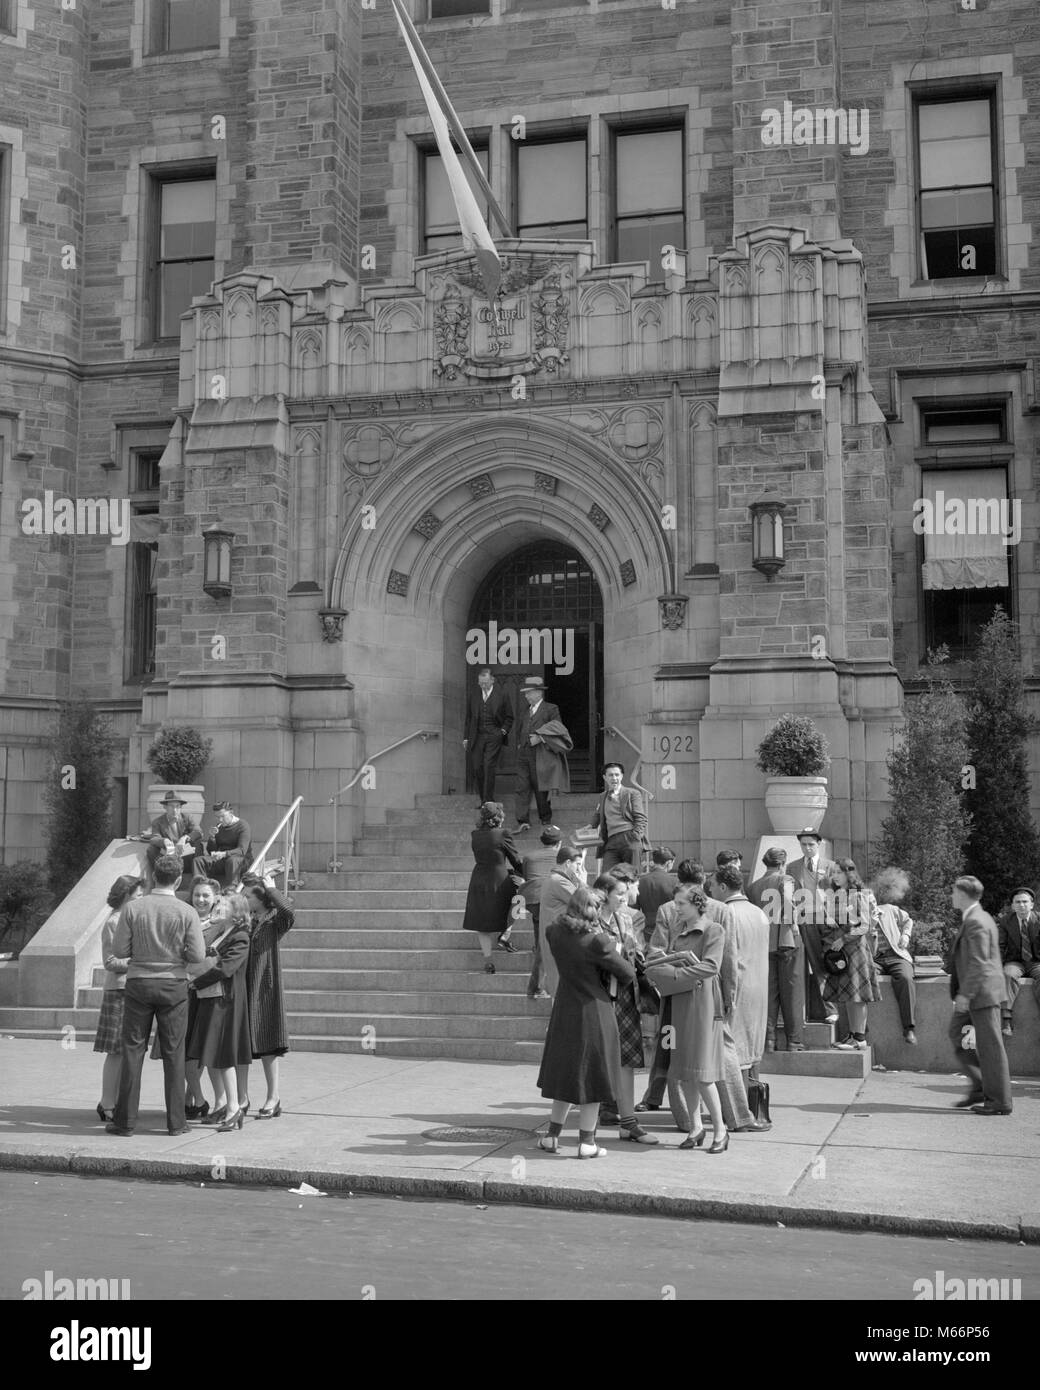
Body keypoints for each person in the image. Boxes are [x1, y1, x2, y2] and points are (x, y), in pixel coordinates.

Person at [105, 854, 205, 1137]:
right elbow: (197, 955)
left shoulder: (134, 909)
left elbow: (120, 951)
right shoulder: (187, 912)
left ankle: (124, 1122)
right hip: (173, 984)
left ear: (152, 878)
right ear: (177, 880)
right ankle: (176, 1123)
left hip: (138, 983)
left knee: (132, 1050)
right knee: (175, 1052)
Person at [535, 885, 636, 1159]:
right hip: (594, 1010)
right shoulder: (597, 941)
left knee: (567, 1075)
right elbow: (627, 973)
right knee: (593, 1078)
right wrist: (620, 949)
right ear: (591, 909)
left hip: (565, 1008)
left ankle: (552, 1137)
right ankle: (587, 1142)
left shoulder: (554, 932)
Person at [646, 887, 730, 1154]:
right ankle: (696, 1128)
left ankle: (720, 1129)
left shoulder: (713, 929)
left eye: (681, 903)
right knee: (684, 1072)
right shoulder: (680, 932)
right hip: (680, 1002)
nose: (677, 908)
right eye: (676, 903)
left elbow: (712, 966)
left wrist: (672, 972)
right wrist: (665, 968)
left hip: (703, 1005)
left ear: (697, 904)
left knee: (703, 1073)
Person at [592, 872, 659, 1143]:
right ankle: (588, 1126)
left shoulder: (627, 919)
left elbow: (634, 951)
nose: (624, 898)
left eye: (624, 893)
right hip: (598, 996)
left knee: (628, 1060)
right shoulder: (592, 921)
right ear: (603, 894)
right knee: (597, 1061)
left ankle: (628, 1121)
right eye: (619, 894)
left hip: (626, 995)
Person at [186, 894, 254, 1132]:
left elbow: (225, 968)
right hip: (210, 997)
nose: (217, 906)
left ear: (237, 911)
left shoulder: (241, 937)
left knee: (223, 1056)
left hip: (225, 1000)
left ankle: (234, 1108)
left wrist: (197, 982)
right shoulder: (219, 931)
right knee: (211, 1055)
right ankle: (224, 1104)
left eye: (223, 904)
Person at [948, 875, 1013, 1115]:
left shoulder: (976, 920)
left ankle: (999, 1102)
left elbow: (979, 963)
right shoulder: (975, 917)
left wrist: (965, 995)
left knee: (990, 1048)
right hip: (976, 993)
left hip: (981, 994)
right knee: (956, 1034)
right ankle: (979, 1086)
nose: (952, 895)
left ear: (964, 895)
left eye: (954, 892)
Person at [241, 878, 296, 1118]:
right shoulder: (244, 921)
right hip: (242, 986)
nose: (244, 900)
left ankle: (273, 1097)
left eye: (248, 896)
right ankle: (241, 1099)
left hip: (264, 987)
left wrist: (271, 887)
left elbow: (288, 910)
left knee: (268, 1044)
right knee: (239, 1045)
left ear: (262, 898)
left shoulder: (275, 922)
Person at [94, 874, 144, 1123]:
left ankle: (115, 1100)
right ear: (125, 896)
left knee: (126, 1051)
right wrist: (138, 961)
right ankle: (107, 1102)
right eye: (137, 896)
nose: (140, 899)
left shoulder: (130, 919)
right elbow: (110, 962)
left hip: (133, 990)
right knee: (115, 1051)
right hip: (118, 991)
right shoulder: (113, 922)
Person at [748, 847, 805, 1052]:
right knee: (792, 991)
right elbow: (789, 901)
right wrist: (794, 924)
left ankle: (769, 1041)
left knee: (769, 993)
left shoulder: (753, 887)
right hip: (787, 939)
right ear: (783, 863)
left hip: (763, 944)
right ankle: (794, 1040)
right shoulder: (786, 880)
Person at [716, 863, 770, 1076]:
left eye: (711, 886)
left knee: (734, 1052)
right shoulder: (758, 912)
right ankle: (751, 1102)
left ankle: (738, 1106)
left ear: (722, 887)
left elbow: (728, 958)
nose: (710, 892)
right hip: (759, 988)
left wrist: (728, 996)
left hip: (738, 987)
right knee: (752, 1049)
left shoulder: (726, 913)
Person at [184, 878, 231, 1117]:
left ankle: (216, 1101)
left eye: (206, 896)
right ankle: (195, 1098)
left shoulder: (221, 926)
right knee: (187, 1051)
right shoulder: (184, 918)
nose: (200, 899)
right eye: (197, 895)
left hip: (206, 992)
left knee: (205, 1049)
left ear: (215, 899)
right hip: (184, 992)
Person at [821, 859, 880, 1050]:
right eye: (833, 873)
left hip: (855, 949)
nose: (835, 876)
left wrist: (843, 939)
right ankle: (853, 1036)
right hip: (840, 951)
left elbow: (864, 926)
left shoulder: (859, 895)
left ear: (849, 874)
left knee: (858, 996)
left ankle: (860, 1038)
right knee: (848, 996)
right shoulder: (836, 895)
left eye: (839, 872)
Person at [462, 802, 525, 974]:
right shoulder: (503, 833)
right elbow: (515, 859)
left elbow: (490, 842)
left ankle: (488, 960)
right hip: (499, 878)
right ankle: (505, 934)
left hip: (479, 879)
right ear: (498, 818)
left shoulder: (475, 835)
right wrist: (526, 874)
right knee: (519, 901)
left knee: (481, 923)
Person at [787, 827, 841, 1025]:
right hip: (805, 921)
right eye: (804, 844)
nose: (807, 848)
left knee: (832, 962)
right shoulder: (792, 867)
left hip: (828, 922)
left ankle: (839, 1008)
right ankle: (823, 1010)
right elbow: (789, 897)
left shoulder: (831, 866)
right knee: (813, 964)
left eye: (811, 844)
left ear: (819, 844)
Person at [513, 676, 572, 833]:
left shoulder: (551, 709)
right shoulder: (525, 711)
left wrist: (541, 737)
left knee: (541, 787)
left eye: (528, 693)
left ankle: (545, 818)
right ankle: (522, 821)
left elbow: (558, 728)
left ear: (538, 693)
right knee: (522, 787)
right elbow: (520, 729)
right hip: (523, 754)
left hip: (540, 754)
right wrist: (520, 744)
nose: (526, 696)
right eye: (526, 693)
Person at [871, 867, 918, 1046]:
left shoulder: (890, 909)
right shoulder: (863, 916)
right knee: (864, 977)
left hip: (896, 956)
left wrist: (905, 936)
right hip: (875, 959)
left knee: (906, 978)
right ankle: (861, 1032)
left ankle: (909, 1028)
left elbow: (908, 920)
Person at [538, 843, 588, 997]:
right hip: (560, 940)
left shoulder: (553, 879)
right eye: (578, 865)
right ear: (568, 863)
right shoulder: (559, 881)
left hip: (555, 938)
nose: (579, 870)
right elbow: (587, 904)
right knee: (561, 988)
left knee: (558, 986)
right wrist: (583, 881)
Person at [519, 827, 561, 1000]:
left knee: (541, 939)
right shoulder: (561, 857)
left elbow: (526, 876)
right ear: (559, 843)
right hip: (552, 900)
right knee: (545, 945)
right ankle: (536, 987)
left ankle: (539, 985)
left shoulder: (529, 857)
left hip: (532, 900)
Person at [463, 668, 514, 805]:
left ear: (492, 680)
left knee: (488, 765)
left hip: (494, 735)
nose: (483, 686)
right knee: (477, 768)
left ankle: (488, 800)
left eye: (485, 683)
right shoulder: (473, 695)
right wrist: (466, 737)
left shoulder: (502, 694)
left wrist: (502, 732)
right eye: (480, 683)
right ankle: (482, 798)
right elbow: (469, 718)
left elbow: (509, 717)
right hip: (477, 736)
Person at [996, 886, 1040, 1038]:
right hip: (1015, 962)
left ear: (1032, 904)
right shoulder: (1006, 921)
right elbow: (999, 945)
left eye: (1025, 902)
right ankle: (1007, 1021)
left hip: (1036, 962)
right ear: (1013, 905)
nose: (1022, 905)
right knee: (1007, 975)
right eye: (1018, 902)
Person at [593, 763, 648, 873]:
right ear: (605, 777)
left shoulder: (632, 793)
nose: (614, 778)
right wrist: (590, 826)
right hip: (611, 840)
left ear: (622, 776)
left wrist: (635, 835)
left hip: (629, 837)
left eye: (617, 775)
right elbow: (598, 815)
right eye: (611, 775)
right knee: (607, 877)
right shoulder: (602, 796)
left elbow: (641, 818)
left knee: (632, 876)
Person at [145, 792, 205, 882]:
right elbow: (154, 838)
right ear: (165, 807)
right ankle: (161, 878)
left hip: (186, 857)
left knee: (198, 844)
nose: (175, 809)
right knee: (151, 849)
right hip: (169, 857)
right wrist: (164, 841)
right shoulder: (158, 822)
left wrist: (184, 838)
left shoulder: (187, 818)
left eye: (178, 806)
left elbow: (199, 832)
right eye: (171, 806)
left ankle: (199, 880)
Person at [196, 801, 252, 890]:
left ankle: (232, 889)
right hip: (223, 860)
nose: (220, 820)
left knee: (232, 860)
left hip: (240, 861)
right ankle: (199, 886)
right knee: (199, 861)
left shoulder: (242, 825)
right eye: (217, 817)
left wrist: (224, 854)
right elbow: (211, 851)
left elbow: (242, 850)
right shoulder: (219, 827)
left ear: (231, 813)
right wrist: (212, 838)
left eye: (222, 816)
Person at [636, 848, 678, 949]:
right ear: (668, 863)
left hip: (646, 933)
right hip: (669, 934)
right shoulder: (675, 882)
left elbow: (634, 910)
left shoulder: (640, 882)